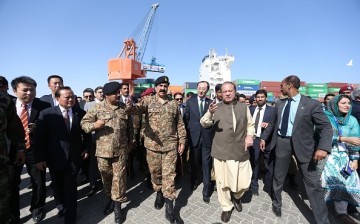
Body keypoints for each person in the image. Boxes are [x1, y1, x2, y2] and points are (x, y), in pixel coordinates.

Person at [260, 75, 333, 224]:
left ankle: (322, 221)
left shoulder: (311, 104)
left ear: (290, 86)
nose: (280, 88)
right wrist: (263, 137)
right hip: (282, 143)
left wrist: (323, 147)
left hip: (305, 147)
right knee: (278, 177)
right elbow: (272, 124)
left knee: (312, 184)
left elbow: (325, 127)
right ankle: (277, 203)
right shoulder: (279, 104)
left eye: (282, 85)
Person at [127, 76, 186, 224]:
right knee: (155, 173)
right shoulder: (148, 101)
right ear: (155, 87)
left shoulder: (173, 104)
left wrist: (182, 141)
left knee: (169, 176)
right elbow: (136, 109)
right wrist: (129, 105)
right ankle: (158, 191)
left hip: (170, 147)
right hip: (152, 146)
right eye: (160, 85)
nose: (163, 88)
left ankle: (170, 209)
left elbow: (180, 124)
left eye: (165, 86)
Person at [200, 81, 254, 223]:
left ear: (235, 92)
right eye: (225, 91)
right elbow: (204, 123)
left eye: (230, 91)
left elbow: (250, 125)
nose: (228, 93)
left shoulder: (244, 108)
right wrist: (209, 113)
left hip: (240, 151)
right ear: (221, 93)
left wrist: (250, 135)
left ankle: (237, 196)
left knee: (244, 183)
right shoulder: (214, 108)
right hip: (221, 151)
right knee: (222, 183)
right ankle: (226, 207)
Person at [35, 86, 91, 224]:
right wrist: (39, 158)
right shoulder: (47, 114)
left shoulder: (80, 113)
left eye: (72, 96)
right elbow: (40, 138)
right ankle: (60, 206)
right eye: (67, 97)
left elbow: (87, 134)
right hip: (54, 158)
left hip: (74, 158)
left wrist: (87, 148)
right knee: (58, 186)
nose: (71, 99)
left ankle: (70, 217)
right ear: (57, 98)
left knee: (71, 188)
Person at [81, 82, 133, 223]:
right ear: (107, 95)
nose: (118, 95)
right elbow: (84, 124)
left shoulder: (124, 108)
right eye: (116, 93)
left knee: (120, 179)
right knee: (106, 178)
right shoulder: (97, 108)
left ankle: (117, 206)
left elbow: (130, 128)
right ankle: (111, 198)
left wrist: (130, 144)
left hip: (121, 151)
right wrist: (94, 125)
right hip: (103, 152)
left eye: (118, 93)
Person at [8, 76, 51, 223]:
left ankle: (37, 208)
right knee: (12, 183)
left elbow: (50, 130)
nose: (29, 93)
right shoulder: (8, 106)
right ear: (14, 91)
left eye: (32, 89)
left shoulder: (44, 106)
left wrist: (38, 130)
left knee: (38, 181)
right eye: (25, 90)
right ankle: (13, 214)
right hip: (13, 151)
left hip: (35, 150)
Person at [321, 94, 360, 224]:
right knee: (328, 182)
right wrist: (342, 138)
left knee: (348, 182)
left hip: (344, 157)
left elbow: (355, 141)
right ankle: (321, 209)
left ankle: (341, 212)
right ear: (335, 105)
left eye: (349, 103)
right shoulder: (326, 118)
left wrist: (354, 159)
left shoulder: (352, 120)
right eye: (343, 103)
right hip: (327, 155)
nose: (347, 105)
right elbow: (321, 136)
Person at [184, 81, 214, 203]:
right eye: (200, 88)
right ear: (197, 89)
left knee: (206, 165)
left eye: (204, 89)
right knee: (194, 163)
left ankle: (206, 192)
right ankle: (193, 181)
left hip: (207, 138)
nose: (201, 91)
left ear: (207, 90)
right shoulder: (190, 102)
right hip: (194, 137)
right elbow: (186, 119)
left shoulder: (211, 103)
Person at [0, 90, 25, 224]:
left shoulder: (3, 99)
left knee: (5, 197)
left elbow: (14, 126)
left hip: (2, 161)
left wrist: (20, 148)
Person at [249, 89, 275, 196]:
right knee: (254, 163)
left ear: (266, 98)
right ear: (255, 98)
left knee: (268, 164)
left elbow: (274, 124)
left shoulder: (272, 110)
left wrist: (268, 125)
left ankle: (268, 186)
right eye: (258, 97)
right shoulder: (250, 109)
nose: (260, 99)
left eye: (262, 97)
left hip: (267, 140)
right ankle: (254, 185)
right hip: (254, 139)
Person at [83, 86, 104, 197]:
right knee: (93, 165)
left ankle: (105, 183)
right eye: (99, 92)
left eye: (103, 92)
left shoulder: (108, 104)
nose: (102, 94)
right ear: (95, 94)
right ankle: (93, 185)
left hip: (105, 141)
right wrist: (94, 125)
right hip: (93, 140)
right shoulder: (89, 105)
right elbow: (85, 122)